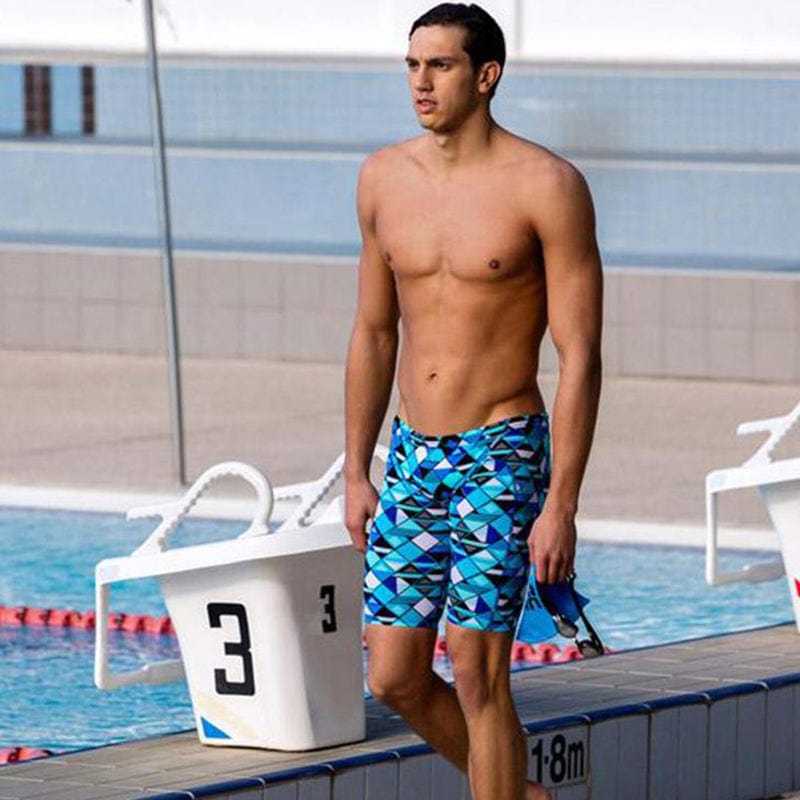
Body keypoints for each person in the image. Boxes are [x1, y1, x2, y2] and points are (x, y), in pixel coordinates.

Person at [343, 4, 603, 799]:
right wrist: (355, 469)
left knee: (478, 669)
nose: (421, 82)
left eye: (441, 66)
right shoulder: (383, 178)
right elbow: (374, 331)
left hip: (501, 450)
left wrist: (561, 505)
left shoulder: (547, 186)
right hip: (413, 455)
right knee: (392, 674)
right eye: (413, 65)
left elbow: (581, 357)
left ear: (486, 76)